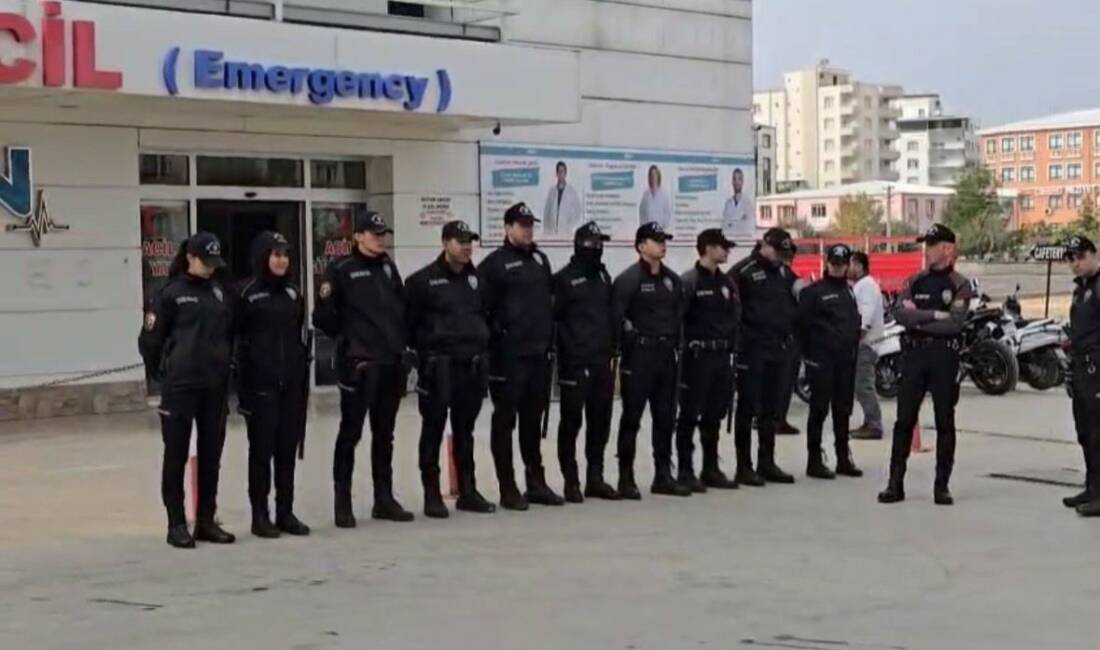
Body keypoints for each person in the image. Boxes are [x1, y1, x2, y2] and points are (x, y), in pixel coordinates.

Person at [313, 210, 414, 528]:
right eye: (374, 234)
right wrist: (350, 340)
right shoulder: (341, 269)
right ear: (357, 236)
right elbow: (323, 316)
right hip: (359, 365)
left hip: (389, 363)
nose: (380, 239)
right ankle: (342, 502)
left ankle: (384, 498)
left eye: (383, 234)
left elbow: (400, 310)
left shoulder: (388, 267)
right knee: (351, 433)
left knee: (385, 434)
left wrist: (403, 347)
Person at [139, 232, 235, 548]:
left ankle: (206, 520)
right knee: (176, 455)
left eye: (214, 262)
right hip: (180, 388)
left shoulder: (218, 292)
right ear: (190, 258)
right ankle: (176, 523)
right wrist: (164, 372)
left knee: (211, 455)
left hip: (214, 387)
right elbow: (149, 340)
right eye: (205, 262)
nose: (210, 268)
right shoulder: (169, 294)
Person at [405, 220, 497, 518]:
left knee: (465, 431)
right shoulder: (422, 281)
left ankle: (468, 491)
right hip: (438, 367)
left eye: (470, 241)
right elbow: (409, 326)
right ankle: (432, 494)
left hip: (471, 366)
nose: (467, 246)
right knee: (433, 429)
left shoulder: (477, 280)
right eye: (461, 241)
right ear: (445, 243)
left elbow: (486, 317)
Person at [878, 224, 972, 506]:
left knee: (945, 421)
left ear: (947, 248)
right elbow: (899, 314)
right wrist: (934, 315)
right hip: (914, 356)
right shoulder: (915, 281)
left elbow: (954, 323)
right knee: (904, 420)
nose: (927, 250)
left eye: (932, 244)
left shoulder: (959, 284)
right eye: (926, 244)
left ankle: (941, 486)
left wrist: (919, 318)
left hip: (944, 356)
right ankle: (895, 484)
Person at [480, 202, 564, 510]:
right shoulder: (494, 265)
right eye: (522, 225)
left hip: (538, 355)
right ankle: (507, 486)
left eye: (530, 224)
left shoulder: (540, 260)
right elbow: (482, 311)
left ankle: (536, 483)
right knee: (505, 422)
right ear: (507, 228)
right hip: (508, 358)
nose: (528, 230)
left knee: (532, 421)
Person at [234, 231, 311, 539]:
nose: (282, 261)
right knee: (261, 453)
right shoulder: (245, 294)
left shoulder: (293, 294)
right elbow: (237, 341)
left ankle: (285, 511)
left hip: (290, 386)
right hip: (260, 387)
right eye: (276, 254)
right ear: (263, 257)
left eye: (285, 255)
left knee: (286, 451)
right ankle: (260, 515)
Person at [613, 221, 690, 498]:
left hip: (666, 356)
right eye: (657, 240)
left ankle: (663, 474)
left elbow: (679, 316)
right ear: (641, 246)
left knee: (665, 417)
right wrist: (628, 343)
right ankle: (626, 477)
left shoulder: (672, 280)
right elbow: (617, 317)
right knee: (632, 418)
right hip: (639, 357)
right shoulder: (629, 279)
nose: (662, 245)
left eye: (664, 240)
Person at [552, 221, 621, 503]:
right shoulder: (564, 279)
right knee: (571, 423)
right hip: (575, 363)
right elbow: (554, 321)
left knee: (600, 422)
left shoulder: (603, 276)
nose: (598, 248)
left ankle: (596, 477)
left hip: (602, 360)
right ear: (581, 245)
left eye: (601, 243)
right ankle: (571, 481)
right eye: (594, 243)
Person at [729, 228, 799, 486]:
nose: (780, 258)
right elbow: (730, 309)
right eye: (777, 252)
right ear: (765, 245)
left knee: (771, 410)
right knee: (747, 408)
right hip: (752, 349)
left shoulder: (783, 272)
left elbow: (796, 297)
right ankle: (744, 466)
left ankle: (766, 462)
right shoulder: (743, 271)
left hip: (778, 348)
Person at [675, 228, 741, 492]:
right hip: (697, 357)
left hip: (721, 356)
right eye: (723, 247)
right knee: (689, 414)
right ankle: (685, 470)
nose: (727, 252)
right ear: (709, 248)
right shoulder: (689, 281)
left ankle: (710, 468)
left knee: (714, 414)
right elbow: (678, 319)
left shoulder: (726, 282)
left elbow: (735, 315)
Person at [797, 243, 863, 480]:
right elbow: (801, 326)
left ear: (847, 265)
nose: (837, 268)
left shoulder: (849, 291)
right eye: (834, 263)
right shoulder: (813, 292)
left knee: (843, 410)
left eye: (842, 264)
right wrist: (809, 356)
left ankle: (843, 458)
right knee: (819, 410)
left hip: (845, 360)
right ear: (827, 263)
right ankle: (814, 460)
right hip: (821, 360)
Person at [1062, 235, 1100, 517]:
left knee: (1098, 432)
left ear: (1094, 255)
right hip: (1080, 366)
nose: (1075, 263)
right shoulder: (1081, 289)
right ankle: (1091, 487)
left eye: (1080, 257)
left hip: (1096, 366)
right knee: (1085, 431)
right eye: (1071, 259)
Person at [849, 252, 886, 440]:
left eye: (850, 264)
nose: (847, 268)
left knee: (863, 385)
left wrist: (858, 337)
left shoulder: (866, 286)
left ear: (859, 266)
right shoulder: (861, 285)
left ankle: (874, 425)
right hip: (864, 343)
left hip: (866, 344)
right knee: (860, 385)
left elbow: (866, 315)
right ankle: (869, 422)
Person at [543, 161, 584, 237]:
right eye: (559, 171)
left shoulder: (571, 192)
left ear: (565, 173)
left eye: (562, 171)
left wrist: (569, 224)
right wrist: (546, 229)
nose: (561, 173)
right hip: (551, 232)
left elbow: (578, 211)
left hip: (565, 232)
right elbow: (546, 212)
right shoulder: (552, 191)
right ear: (556, 174)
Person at [721, 168, 755, 240]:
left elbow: (748, 227)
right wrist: (740, 220)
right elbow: (724, 226)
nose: (737, 182)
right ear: (732, 182)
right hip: (729, 240)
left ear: (742, 181)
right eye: (734, 179)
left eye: (739, 179)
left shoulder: (748, 203)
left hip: (743, 241)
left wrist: (732, 223)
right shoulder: (728, 203)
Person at [638, 165, 673, 229]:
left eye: (655, 175)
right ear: (649, 178)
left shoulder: (664, 194)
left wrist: (664, 226)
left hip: (659, 229)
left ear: (658, 176)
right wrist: (643, 227)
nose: (653, 177)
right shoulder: (646, 194)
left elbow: (667, 212)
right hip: (648, 230)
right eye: (651, 175)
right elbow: (641, 212)